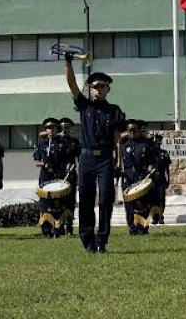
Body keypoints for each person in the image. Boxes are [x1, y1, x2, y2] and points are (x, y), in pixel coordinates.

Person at [65, 55, 125, 254]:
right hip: (87, 158)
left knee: (106, 199)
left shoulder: (114, 110)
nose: (98, 89)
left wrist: (119, 161)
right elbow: (71, 83)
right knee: (86, 199)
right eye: (94, 86)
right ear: (89, 89)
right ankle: (87, 239)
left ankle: (102, 239)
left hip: (106, 159)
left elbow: (118, 138)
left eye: (102, 86)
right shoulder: (84, 106)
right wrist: (68, 63)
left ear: (108, 89)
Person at [34, 117, 71, 237]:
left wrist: (69, 166)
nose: (50, 130)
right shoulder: (42, 144)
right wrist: (44, 164)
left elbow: (69, 159)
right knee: (45, 204)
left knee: (59, 204)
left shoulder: (63, 143)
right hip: (45, 177)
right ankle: (46, 230)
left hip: (59, 176)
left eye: (53, 128)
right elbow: (36, 161)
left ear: (57, 129)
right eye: (48, 128)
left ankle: (58, 230)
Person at [120, 119, 157, 235]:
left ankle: (143, 227)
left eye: (134, 130)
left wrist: (150, 167)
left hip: (142, 176)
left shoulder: (146, 143)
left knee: (143, 203)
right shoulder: (123, 143)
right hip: (128, 176)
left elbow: (152, 160)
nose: (132, 132)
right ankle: (132, 227)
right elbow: (116, 138)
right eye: (129, 130)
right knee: (129, 204)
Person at [58, 117, 81, 236]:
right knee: (59, 201)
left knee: (70, 201)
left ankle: (69, 227)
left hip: (71, 173)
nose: (65, 129)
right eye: (63, 127)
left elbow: (79, 159)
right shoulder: (56, 140)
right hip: (58, 175)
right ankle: (59, 226)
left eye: (67, 127)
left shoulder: (75, 142)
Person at [152, 133, 172, 225]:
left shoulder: (164, 153)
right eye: (156, 141)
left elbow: (167, 168)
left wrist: (168, 179)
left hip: (161, 178)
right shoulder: (150, 153)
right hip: (152, 179)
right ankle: (154, 217)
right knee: (153, 199)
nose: (157, 143)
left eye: (159, 141)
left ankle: (161, 216)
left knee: (161, 198)